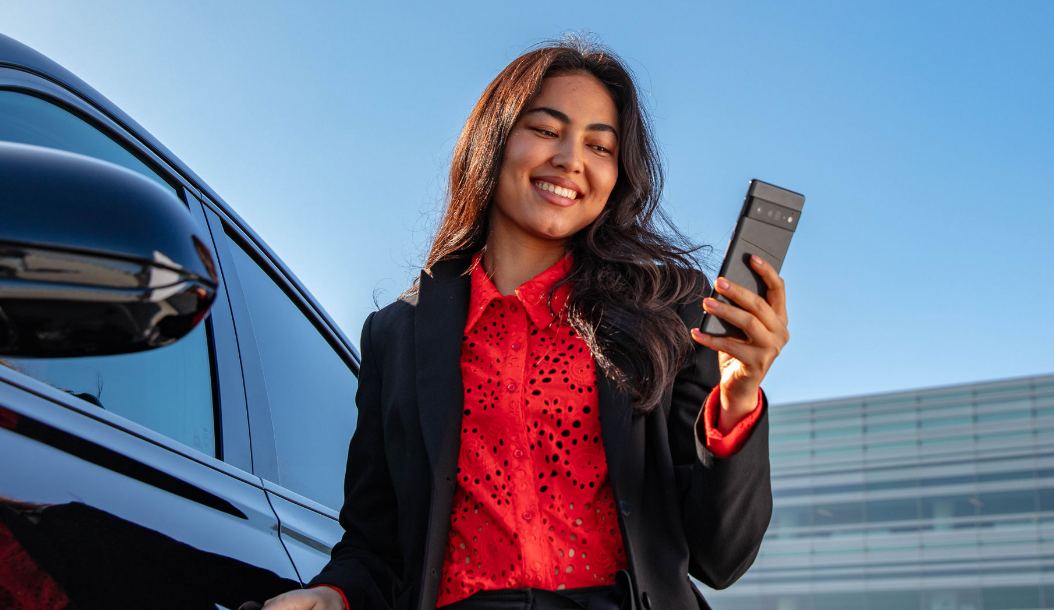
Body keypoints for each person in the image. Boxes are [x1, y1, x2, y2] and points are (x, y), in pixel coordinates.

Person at [258, 35, 788, 610]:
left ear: (617, 177)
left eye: (600, 146)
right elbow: (374, 543)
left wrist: (737, 400)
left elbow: (721, 556)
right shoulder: (396, 336)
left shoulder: (671, 311)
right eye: (545, 129)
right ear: (495, 140)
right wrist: (335, 594)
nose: (571, 159)